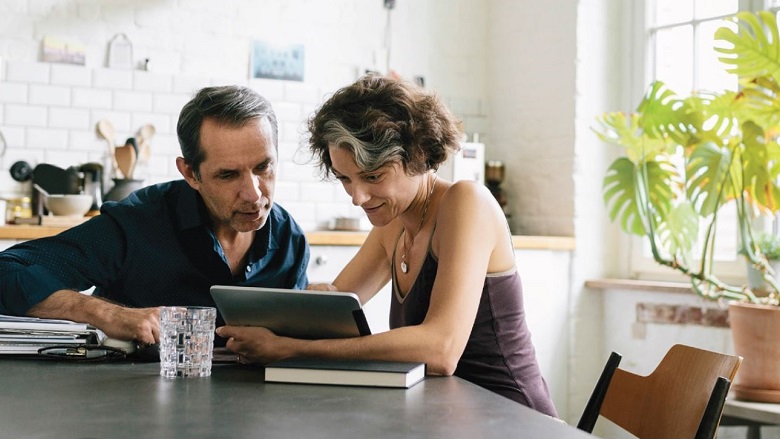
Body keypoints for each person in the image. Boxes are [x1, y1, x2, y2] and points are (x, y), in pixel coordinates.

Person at [217, 75, 557, 416]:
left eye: (373, 176)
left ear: (418, 154)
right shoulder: (393, 225)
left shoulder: (467, 202)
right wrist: (311, 306)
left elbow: (441, 350)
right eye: (346, 179)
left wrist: (292, 348)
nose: (357, 197)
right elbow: (334, 311)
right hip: (448, 417)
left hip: (514, 417)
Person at [0, 85, 310, 346]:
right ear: (190, 173)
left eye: (263, 167)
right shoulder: (137, 225)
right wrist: (107, 314)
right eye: (228, 175)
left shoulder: (289, 241)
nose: (254, 194)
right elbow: (7, 271)